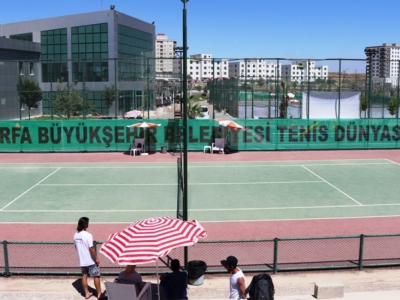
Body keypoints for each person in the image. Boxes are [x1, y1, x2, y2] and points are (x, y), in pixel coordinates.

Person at [74, 217, 105, 299]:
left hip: (82, 260)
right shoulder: (88, 235)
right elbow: (91, 248)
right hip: (90, 260)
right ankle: (99, 294)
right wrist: (96, 258)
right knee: (96, 276)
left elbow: (76, 246)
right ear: (86, 225)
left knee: (84, 276)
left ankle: (87, 293)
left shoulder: (76, 235)